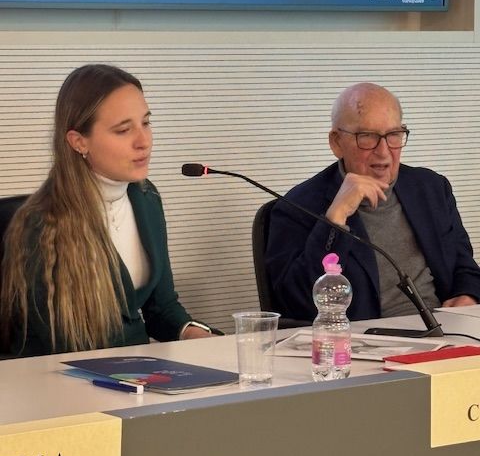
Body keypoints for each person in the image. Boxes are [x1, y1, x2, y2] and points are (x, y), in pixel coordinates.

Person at [0, 64, 217, 357]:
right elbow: (66, 346)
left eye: (146, 123)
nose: (144, 142)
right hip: (65, 375)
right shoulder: (40, 224)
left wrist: (194, 333)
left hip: (137, 371)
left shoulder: (146, 198)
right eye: (124, 130)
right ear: (79, 142)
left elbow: (161, 307)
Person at [265, 82, 480, 322]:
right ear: (337, 142)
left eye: (394, 135)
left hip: (443, 331)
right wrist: (335, 219)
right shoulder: (296, 207)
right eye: (367, 137)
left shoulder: (431, 188)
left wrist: (468, 295)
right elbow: (296, 303)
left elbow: (464, 266)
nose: (384, 152)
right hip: (361, 339)